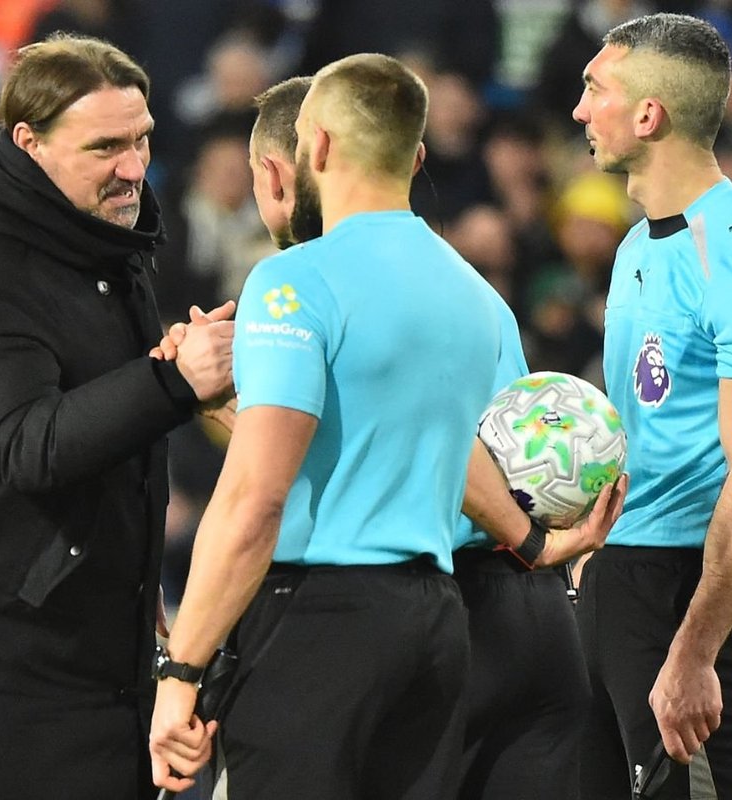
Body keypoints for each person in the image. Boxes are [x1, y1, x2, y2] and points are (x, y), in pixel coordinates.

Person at [149, 58, 625, 798]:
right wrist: (534, 543)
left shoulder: (294, 280)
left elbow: (253, 501)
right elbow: (411, 440)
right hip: (441, 620)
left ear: (316, 148)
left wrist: (181, 670)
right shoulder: (470, 291)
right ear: (418, 157)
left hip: (319, 620)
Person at [0, 34, 234, 799]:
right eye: (105, 147)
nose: (134, 168)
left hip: (84, 656)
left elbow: (98, 427)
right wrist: (172, 382)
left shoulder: (101, 240)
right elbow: (26, 443)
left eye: (141, 140)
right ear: (29, 142)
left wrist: (139, 594)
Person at [571, 13, 732, 799]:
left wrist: (695, 652)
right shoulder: (639, 244)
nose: (579, 111)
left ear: (650, 115)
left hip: (687, 595)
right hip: (622, 578)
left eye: (594, 89)